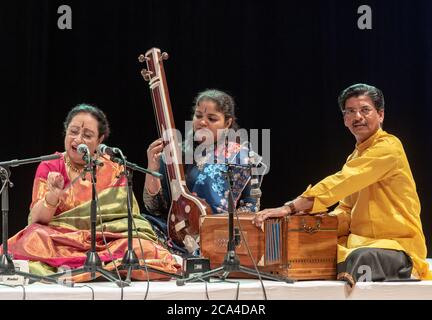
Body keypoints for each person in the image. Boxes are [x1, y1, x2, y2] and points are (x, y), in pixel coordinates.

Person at [253, 83, 432, 285]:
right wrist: (314, 223)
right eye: (350, 112)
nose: (358, 117)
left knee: (361, 258)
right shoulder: (355, 156)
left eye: (365, 110)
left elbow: (342, 181)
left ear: (380, 115)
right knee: (309, 247)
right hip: (357, 243)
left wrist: (290, 207)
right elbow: (346, 210)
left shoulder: (389, 147)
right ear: (345, 119)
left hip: (397, 247)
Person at [1, 104, 180, 282]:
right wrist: (53, 195)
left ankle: (79, 267)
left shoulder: (114, 167)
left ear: (100, 140)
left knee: (141, 246)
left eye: (87, 135)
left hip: (106, 240)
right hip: (62, 240)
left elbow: (127, 218)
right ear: (65, 132)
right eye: (73, 131)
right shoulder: (50, 166)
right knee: (33, 237)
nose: (78, 139)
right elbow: (36, 220)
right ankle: (104, 267)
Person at [143, 89, 261, 254]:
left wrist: (216, 226)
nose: (202, 122)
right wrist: (152, 169)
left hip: (217, 237)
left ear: (227, 123)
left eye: (211, 118)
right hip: (174, 234)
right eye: (198, 116)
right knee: (138, 225)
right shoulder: (176, 154)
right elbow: (154, 207)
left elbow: (250, 207)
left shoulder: (242, 158)